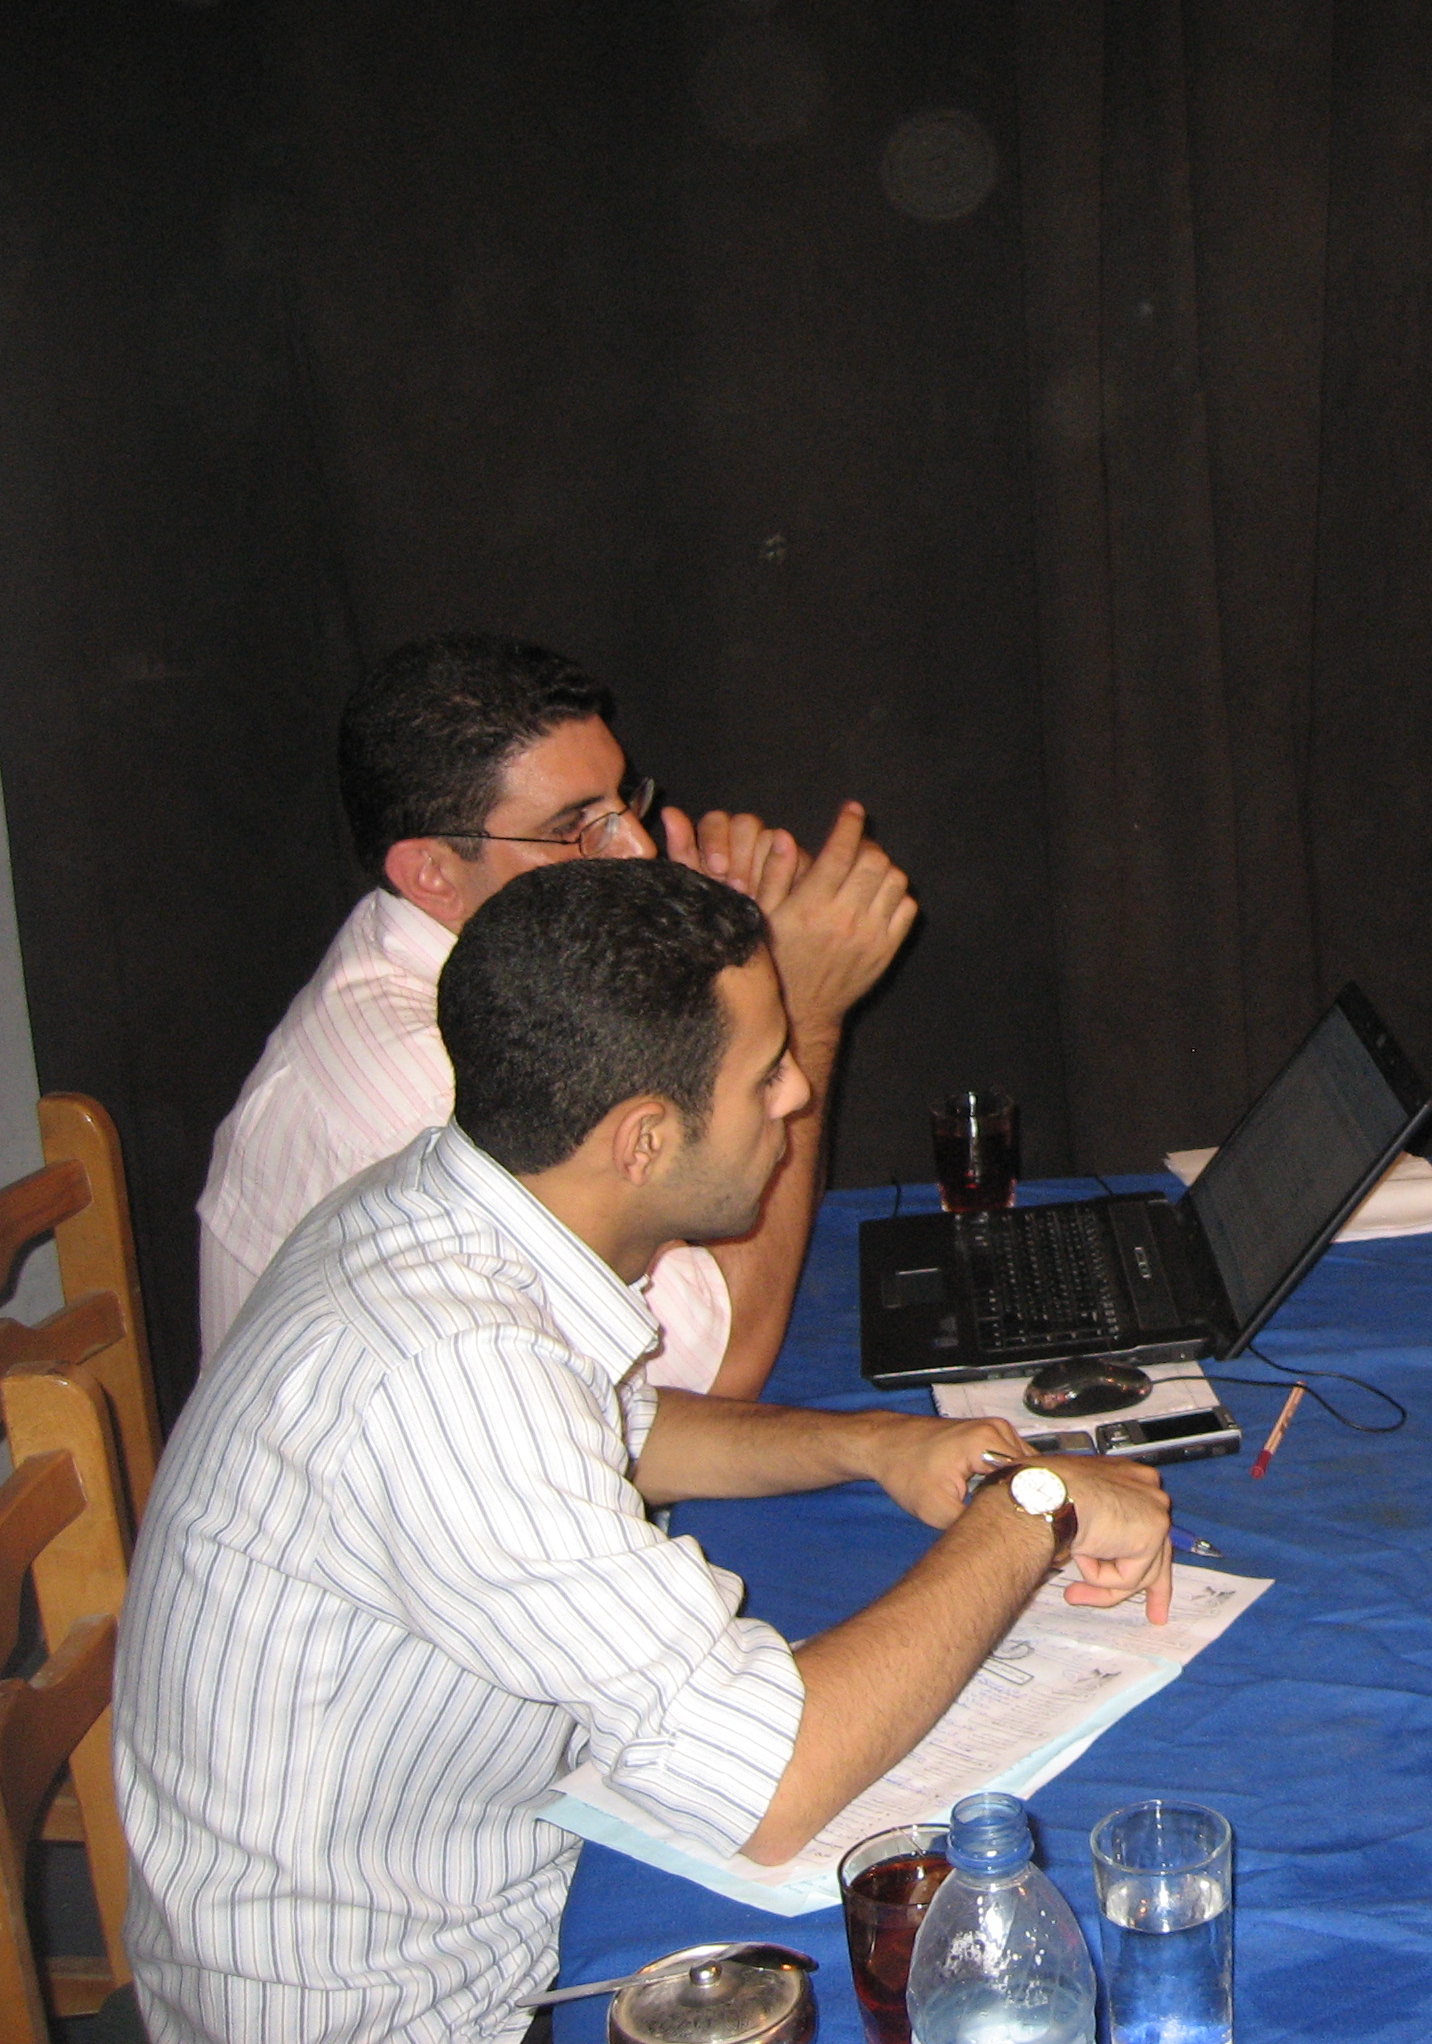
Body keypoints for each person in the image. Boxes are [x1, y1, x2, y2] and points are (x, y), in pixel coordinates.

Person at [116, 859, 1175, 2044]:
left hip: (470, 1893)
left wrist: (876, 1445)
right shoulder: (449, 1369)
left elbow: (620, 1429)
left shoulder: (445, 1203)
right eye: (765, 1075)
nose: (795, 1096)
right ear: (643, 1141)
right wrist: (1032, 1505)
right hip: (408, 2012)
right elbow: (773, 1780)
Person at [197, 634, 912, 1396]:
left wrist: (713, 957)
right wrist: (798, 1009)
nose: (637, 850)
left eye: (625, 802)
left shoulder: (470, 960)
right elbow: (714, 1370)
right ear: (432, 873)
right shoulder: (443, 1080)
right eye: (577, 828)